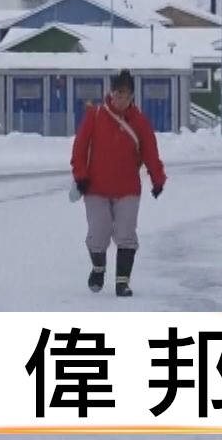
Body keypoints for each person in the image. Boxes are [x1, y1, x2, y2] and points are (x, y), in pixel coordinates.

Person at [71, 71, 167, 298]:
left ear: (132, 96)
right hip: (95, 188)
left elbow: (151, 153)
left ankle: (122, 282)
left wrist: (158, 179)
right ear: (111, 93)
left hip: (127, 189)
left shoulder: (140, 123)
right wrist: (81, 176)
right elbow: (79, 149)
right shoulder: (94, 117)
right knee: (98, 234)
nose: (120, 99)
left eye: (125, 95)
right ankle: (98, 268)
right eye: (117, 94)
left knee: (126, 234)